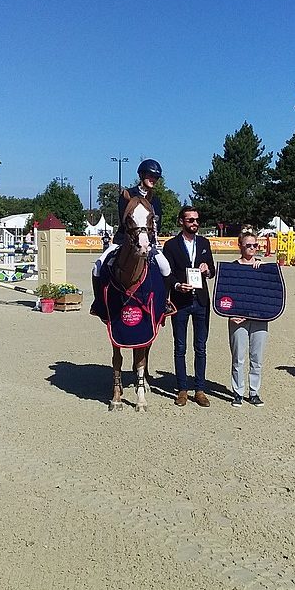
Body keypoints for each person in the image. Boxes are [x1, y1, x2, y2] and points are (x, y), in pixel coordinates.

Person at [92, 159, 171, 304]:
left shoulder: (156, 200)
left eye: (156, 177)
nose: (153, 179)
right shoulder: (127, 194)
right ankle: (98, 303)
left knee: (165, 267)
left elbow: (157, 224)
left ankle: (164, 302)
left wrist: (151, 240)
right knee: (98, 266)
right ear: (142, 175)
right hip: (123, 241)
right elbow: (124, 219)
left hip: (148, 242)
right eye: (150, 176)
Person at [163, 207, 215, 407]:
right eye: (190, 220)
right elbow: (167, 274)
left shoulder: (204, 243)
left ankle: (200, 389)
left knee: (200, 347)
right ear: (181, 222)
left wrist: (207, 269)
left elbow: (211, 270)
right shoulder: (171, 245)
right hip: (180, 302)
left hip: (201, 301)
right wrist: (177, 285)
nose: (194, 223)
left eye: (196, 220)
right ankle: (182, 389)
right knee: (180, 347)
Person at [228, 227, 268, 407]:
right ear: (240, 246)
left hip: (259, 318)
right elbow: (226, 296)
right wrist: (230, 314)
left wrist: (263, 271)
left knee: (257, 358)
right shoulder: (233, 268)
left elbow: (270, 293)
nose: (252, 248)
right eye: (248, 245)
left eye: (255, 245)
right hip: (238, 318)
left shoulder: (262, 267)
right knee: (238, 357)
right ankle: (238, 392)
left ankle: (254, 392)